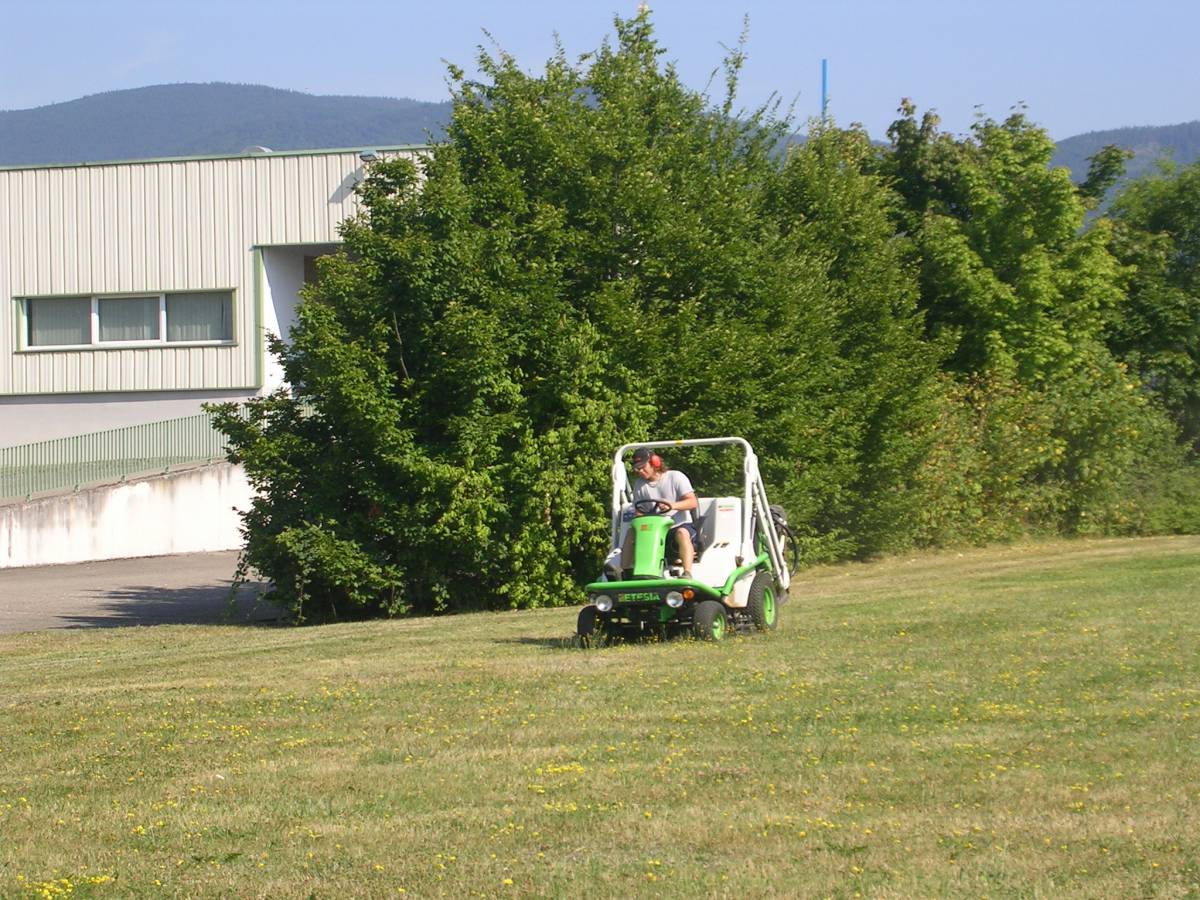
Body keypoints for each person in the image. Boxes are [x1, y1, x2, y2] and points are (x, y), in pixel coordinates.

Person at [620, 448, 699, 578]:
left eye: (642, 467)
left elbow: (692, 502)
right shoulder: (640, 485)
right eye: (637, 468)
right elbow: (639, 511)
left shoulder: (675, 477)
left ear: (654, 463)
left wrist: (672, 505)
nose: (640, 471)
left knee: (682, 533)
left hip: (677, 526)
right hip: (654, 528)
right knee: (631, 532)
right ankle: (626, 572)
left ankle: (687, 572)